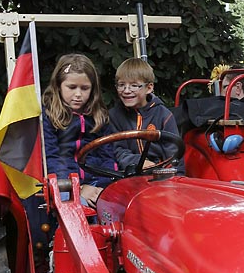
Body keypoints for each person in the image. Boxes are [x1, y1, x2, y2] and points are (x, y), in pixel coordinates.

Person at [42, 54, 116, 204]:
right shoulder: (49, 116)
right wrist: (78, 188)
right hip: (63, 184)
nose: (78, 94)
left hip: (96, 182)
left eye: (84, 88)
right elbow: (51, 159)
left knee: (121, 202)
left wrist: (103, 186)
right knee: (77, 206)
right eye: (71, 87)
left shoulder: (99, 117)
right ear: (58, 86)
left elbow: (107, 157)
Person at [106, 59, 181, 173]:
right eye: (121, 85)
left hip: (159, 173)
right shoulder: (114, 116)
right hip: (126, 174)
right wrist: (140, 161)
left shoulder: (163, 115)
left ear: (149, 88)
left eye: (134, 85)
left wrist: (174, 177)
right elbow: (118, 150)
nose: (126, 91)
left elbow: (173, 152)